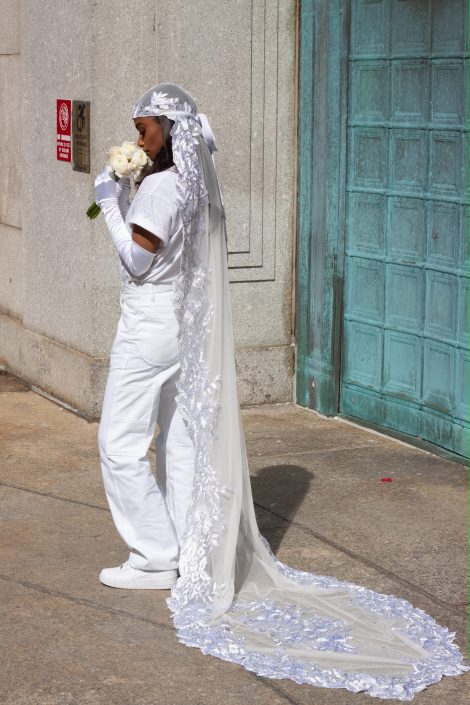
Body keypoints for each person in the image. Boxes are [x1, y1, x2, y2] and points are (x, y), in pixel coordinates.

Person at [94, 83, 470, 700]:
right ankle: (190, 546)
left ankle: (155, 556)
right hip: (181, 323)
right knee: (181, 439)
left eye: (145, 128)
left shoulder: (161, 188)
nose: (137, 138)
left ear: (168, 128)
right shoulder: (192, 183)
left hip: (148, 326)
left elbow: (137, 262)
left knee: (119, 442)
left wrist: (109, 203)